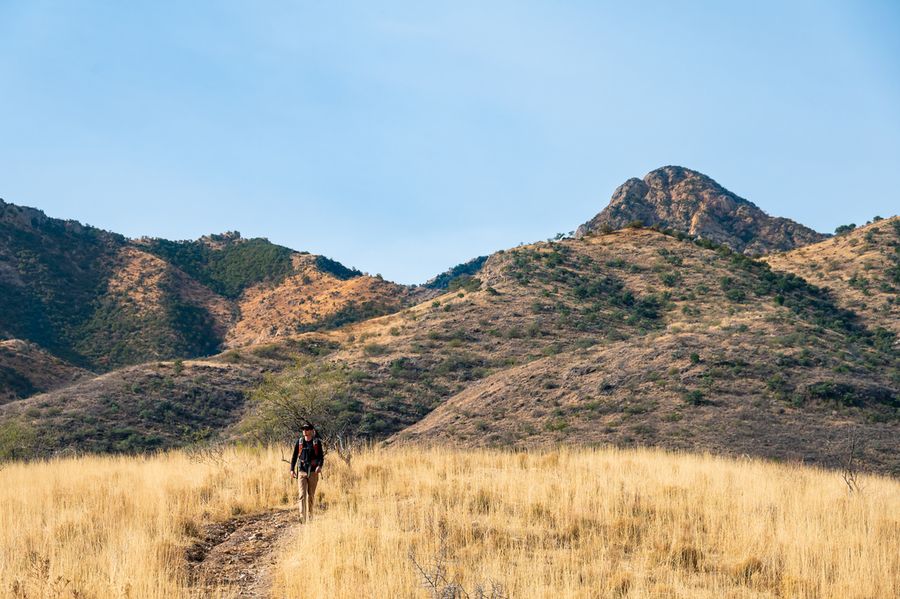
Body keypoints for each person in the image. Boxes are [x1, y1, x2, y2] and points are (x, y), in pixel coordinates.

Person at [290, 423, 324, 523]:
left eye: (307, 429)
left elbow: (321, 457)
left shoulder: (316, 442)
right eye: (303, 429)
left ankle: (310, 515)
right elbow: (294, 456)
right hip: (301, 471)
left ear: (311, 430)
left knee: (311, 495)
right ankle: (302, 517)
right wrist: (292, 469)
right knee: (301, 494)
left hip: (313, 472)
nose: (305, 431)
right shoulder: (299, 442)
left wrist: (319, 466)